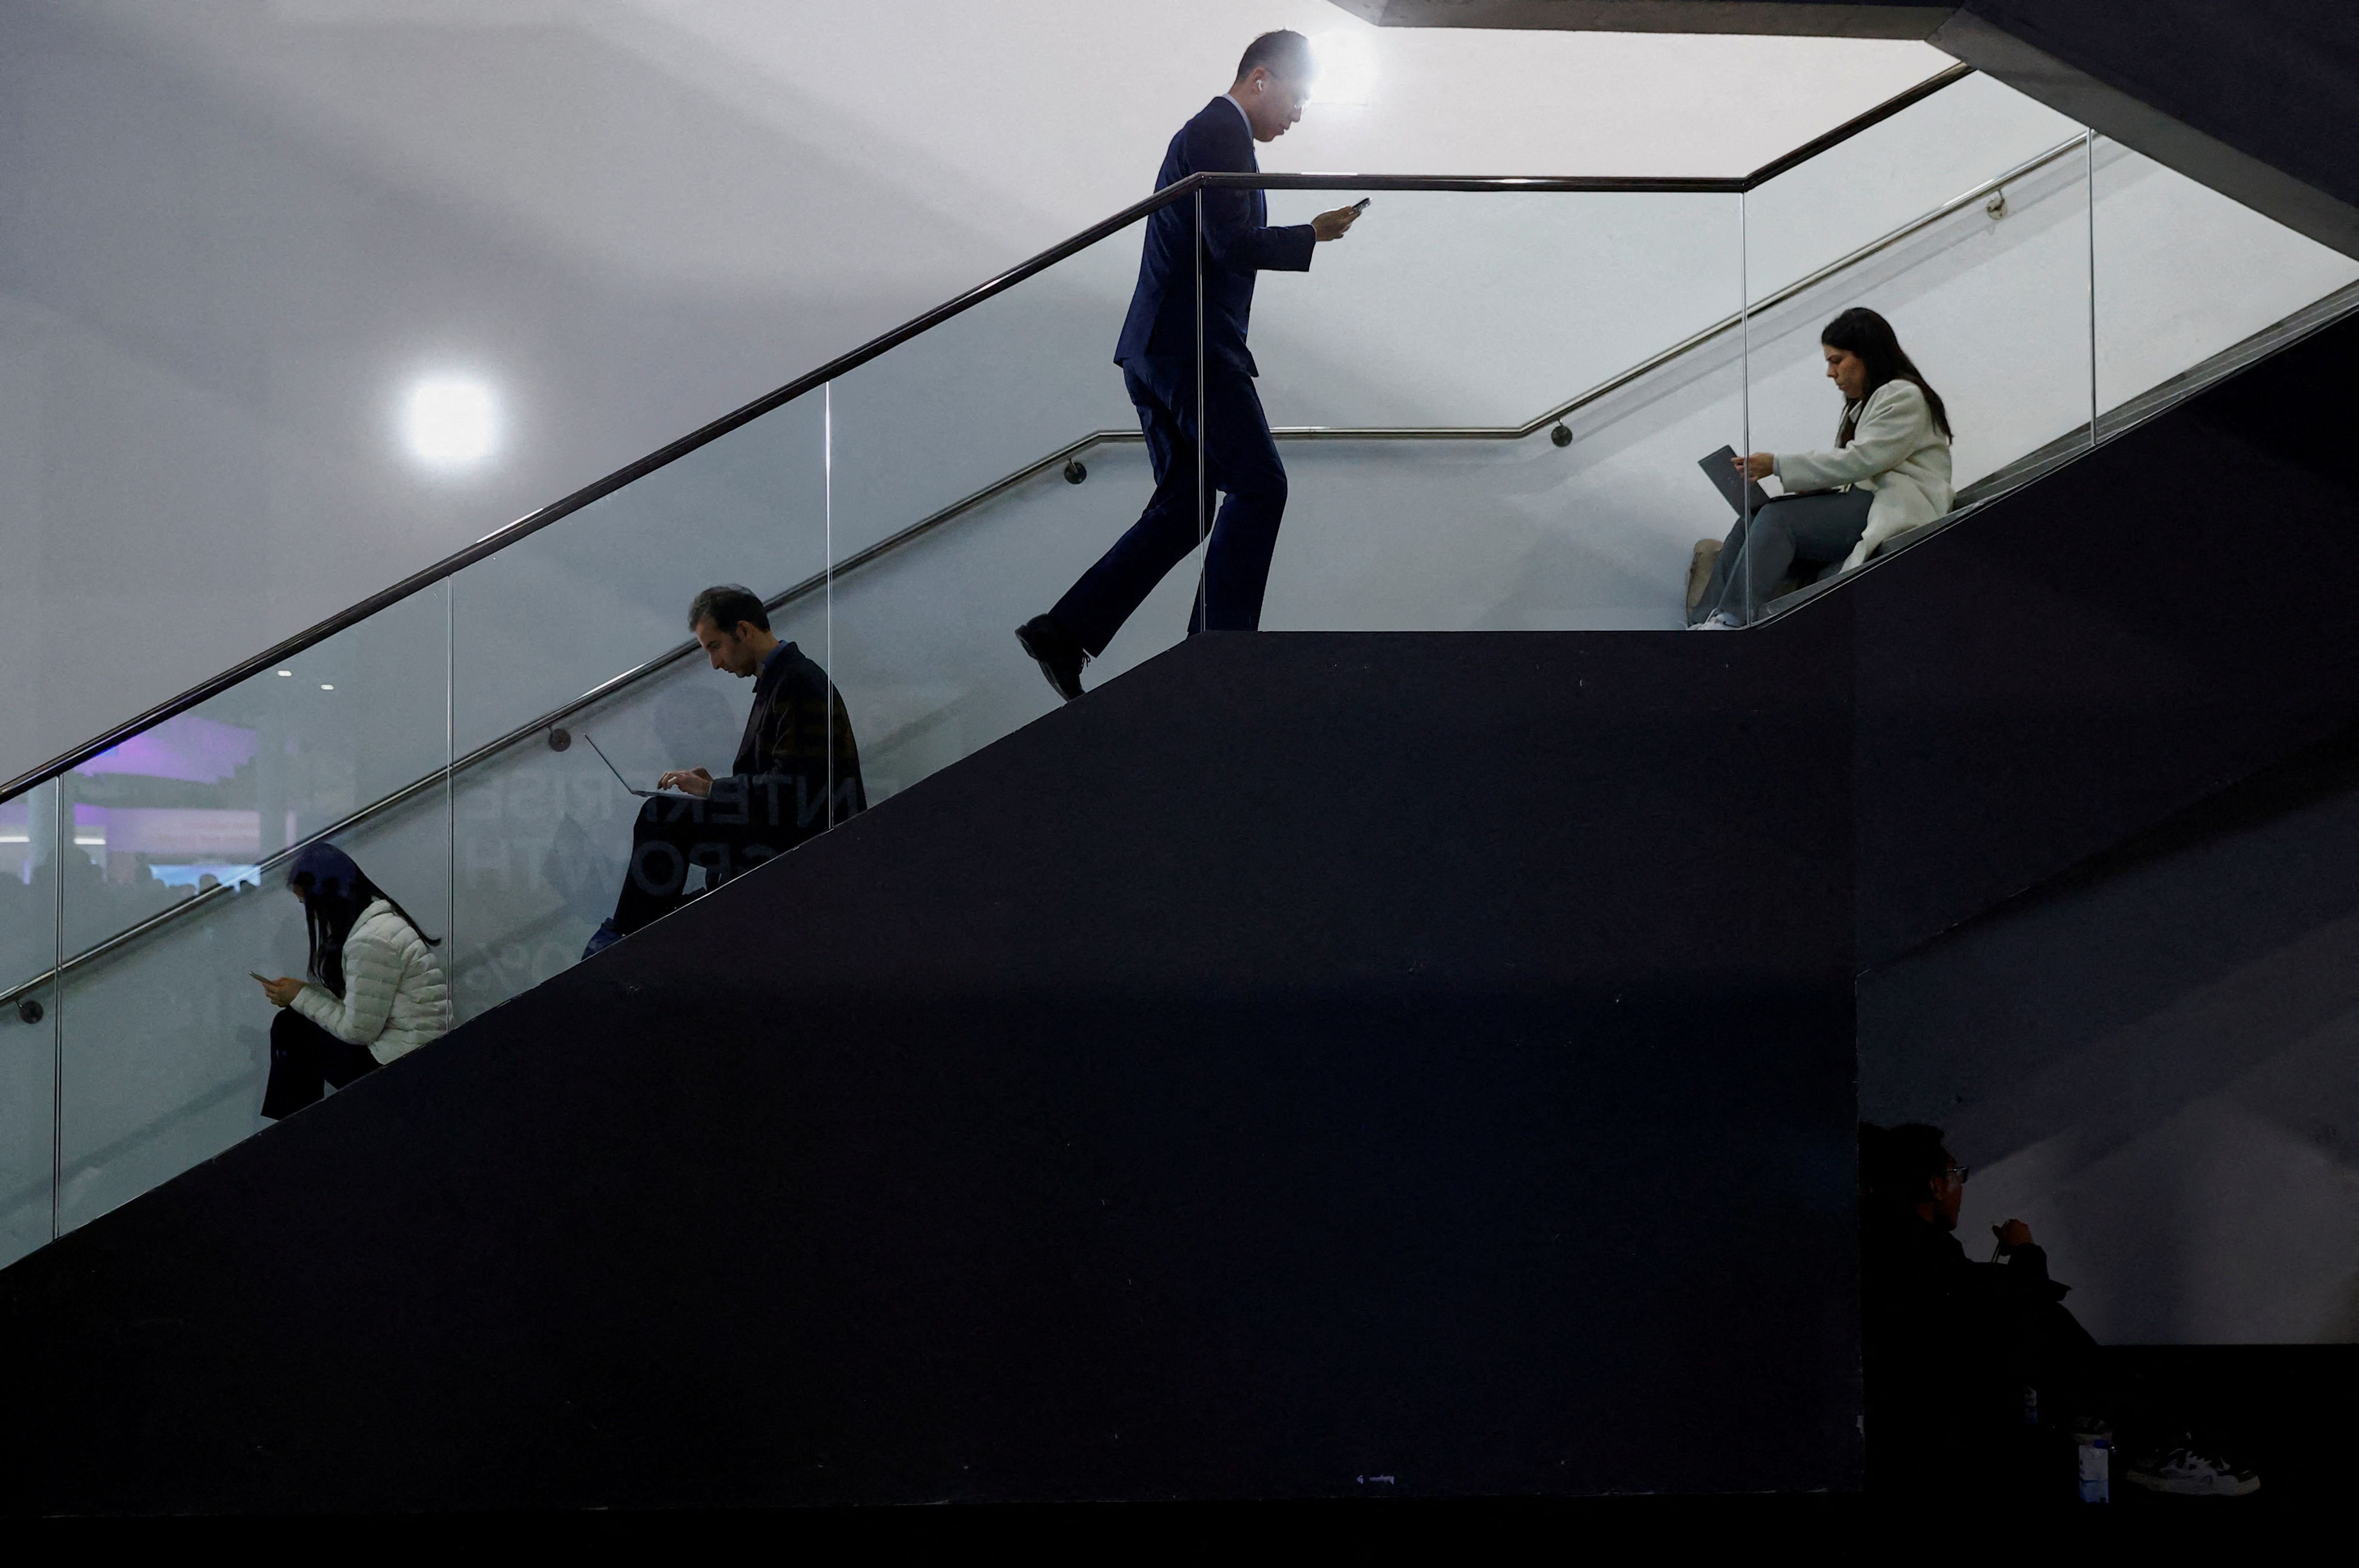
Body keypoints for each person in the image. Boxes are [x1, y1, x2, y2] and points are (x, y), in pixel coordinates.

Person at [1015, 30, 1364, 701]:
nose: (1298, 114)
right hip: (1191, 349)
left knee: (1185, 505)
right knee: (1260, 486)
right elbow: (1229, 244)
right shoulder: (1217, 132)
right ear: (1260, 79)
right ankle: (1219, 650)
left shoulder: (1212, 135)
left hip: (1156, 349)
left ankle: (1065, 631)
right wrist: (1309, 234)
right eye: (1296, 96)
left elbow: (1217, 241)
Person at [1858, 1123, 2260, 1497]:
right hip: (1922, 1407)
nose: (1961, 1185)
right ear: (1934, 1185)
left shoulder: (1893, 1240)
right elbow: (2015, 1296)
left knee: (2035, 1321)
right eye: (1955, 1174)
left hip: (1911, 1389)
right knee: (2037, 1321)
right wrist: (2026, 1251)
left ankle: (2110, 1415)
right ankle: (2155, 1445)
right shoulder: (1917, 1248)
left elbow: (1981, 1289)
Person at [580, 585, 865, 958]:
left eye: (715, 646)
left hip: (804, 842)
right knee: (667, 841)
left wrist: (714, 792)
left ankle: (622, 943)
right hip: (789, 833)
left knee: (662, 816)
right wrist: (716, 788)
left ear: (743, 631)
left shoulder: (797, 684)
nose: (715, 663)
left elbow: (796, 789)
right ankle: (631, 937)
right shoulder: (782, 681)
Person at [1689, 307, 1953, 627]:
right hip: (1868, 502)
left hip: (1894, 507)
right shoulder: (1873, 403)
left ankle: (1731, 619)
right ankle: (1705, 621)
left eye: (1836, 360)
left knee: (1776, 518)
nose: (1831, 373)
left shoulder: (1903, 395)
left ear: (1868, 355)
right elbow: (1867, 465)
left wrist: (1778, 465)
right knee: (1752, 518)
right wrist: (1817, 489)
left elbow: (1863, 459)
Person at [253, 842, 451, 1119]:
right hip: (409, 1051)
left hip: (404, 1062)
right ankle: (295, 1129)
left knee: (292, 1028)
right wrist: (303, 993)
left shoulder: (371, 941)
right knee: (295, 1023)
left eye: (307, 904)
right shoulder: (378, 925)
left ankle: (293, 1134)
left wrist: (300, 997)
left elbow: (358, 1031)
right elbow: (363, 1003)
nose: (312, 915)